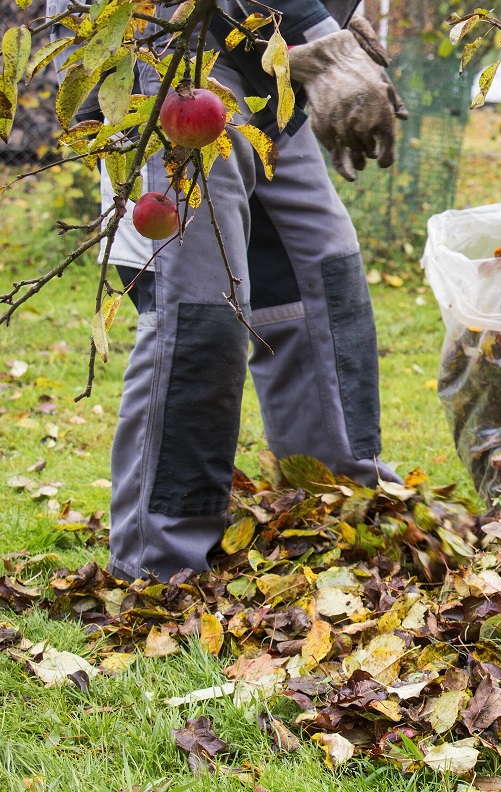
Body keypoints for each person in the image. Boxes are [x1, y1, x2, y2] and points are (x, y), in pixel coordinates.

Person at [48, 0, 407, 581]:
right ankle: (161, 562)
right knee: (200, 313)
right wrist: (319, 33)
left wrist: (339, 17)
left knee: (325, 273)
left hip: (269, 83)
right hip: (178, 62)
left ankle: (337, 496)